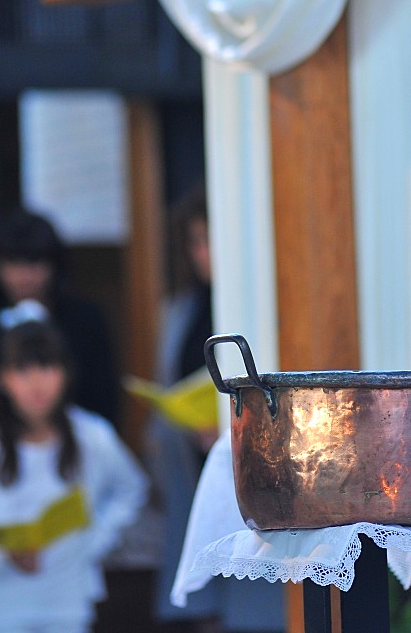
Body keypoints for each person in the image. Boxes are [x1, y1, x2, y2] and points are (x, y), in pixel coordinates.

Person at [0, 300, 148, 633]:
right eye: (22, 370)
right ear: (1, 378)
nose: (37, 382)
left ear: (66, 372)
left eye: (48, 367)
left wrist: (97, 538)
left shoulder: (91, 435)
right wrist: (2, 556)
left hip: (67, 603)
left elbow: (131, 489)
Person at [148, 182, 284, 633]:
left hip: (256, 465)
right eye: (197, 242)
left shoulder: (267, 307)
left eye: (215, 239)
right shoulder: (182, 311)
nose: (207, 253)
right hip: (194, 461)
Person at [0, 207, 120, 437]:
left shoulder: (85, 321)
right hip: (2, 448)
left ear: (53, 265)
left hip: (74, 446)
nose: (24, 276)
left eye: (34, 262)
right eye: (13, 262)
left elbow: (103, 397)